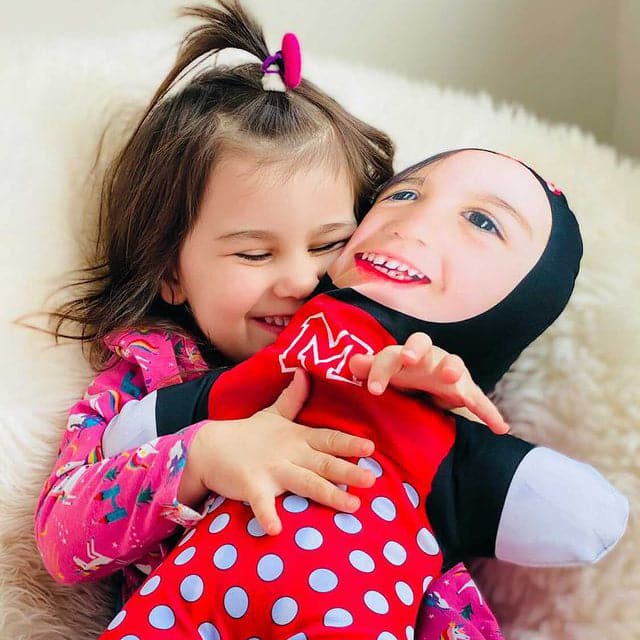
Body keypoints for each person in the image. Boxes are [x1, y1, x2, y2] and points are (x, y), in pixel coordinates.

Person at [34, 1, 506, 611]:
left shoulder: (374, 359)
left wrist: (434, 390)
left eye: (329, 243)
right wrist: (201, 456)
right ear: (171, 272)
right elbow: (62, 538)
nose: (301, 280)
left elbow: (448, 537)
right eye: (255, 254)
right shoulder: (146, 384)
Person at [97, 149, 628, 639]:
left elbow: (577, 514)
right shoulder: (269, 364)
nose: (412, 222)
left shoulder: (445, 446)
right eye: (404, 194)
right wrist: (202, 452)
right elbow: (129, 440)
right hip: (182, 605)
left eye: (482, 221)